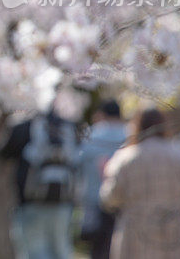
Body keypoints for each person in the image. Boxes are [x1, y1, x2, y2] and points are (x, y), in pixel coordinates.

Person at [100, 107, 180, 259]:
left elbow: (110, 199)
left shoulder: (125, 158)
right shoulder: (179, 155)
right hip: (173, 232)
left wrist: (105, 176)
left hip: (135, 235)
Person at [0, 107, 78, 259]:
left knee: (34, 252)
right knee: (61, 250)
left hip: (30, 202)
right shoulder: (67, 127)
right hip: (62, 202)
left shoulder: (25, 126)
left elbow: (3, 153)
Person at [77, 99, 128, 259]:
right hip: (124, 199)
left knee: (98, 247)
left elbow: (77, 161)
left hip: (96, 198)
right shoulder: (130, 133)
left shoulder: (94, 133)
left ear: (102, 114)